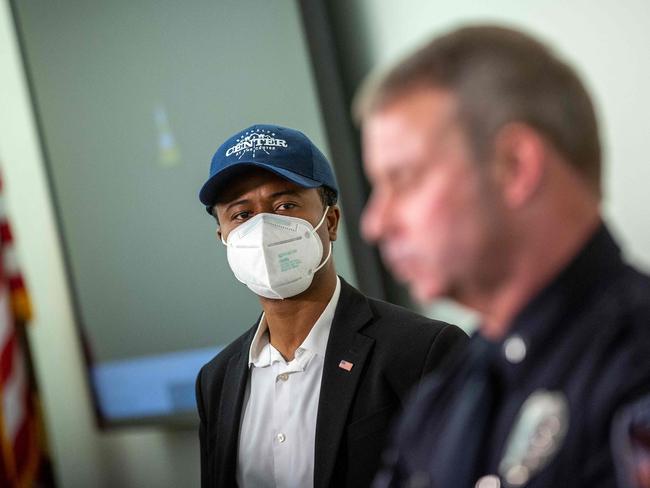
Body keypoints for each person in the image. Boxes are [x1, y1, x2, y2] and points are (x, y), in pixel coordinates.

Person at [356, 25, 650, 488]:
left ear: (514, 167)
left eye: (405, 180)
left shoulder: (634, 369)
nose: (375, 222)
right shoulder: (440, 399)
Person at [194, 124, 468, 488]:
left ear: (331, 221)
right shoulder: (217, 380)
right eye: (242, 215)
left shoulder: (421, 351)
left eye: (285, 205)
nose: (263, 228)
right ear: (224, 238)